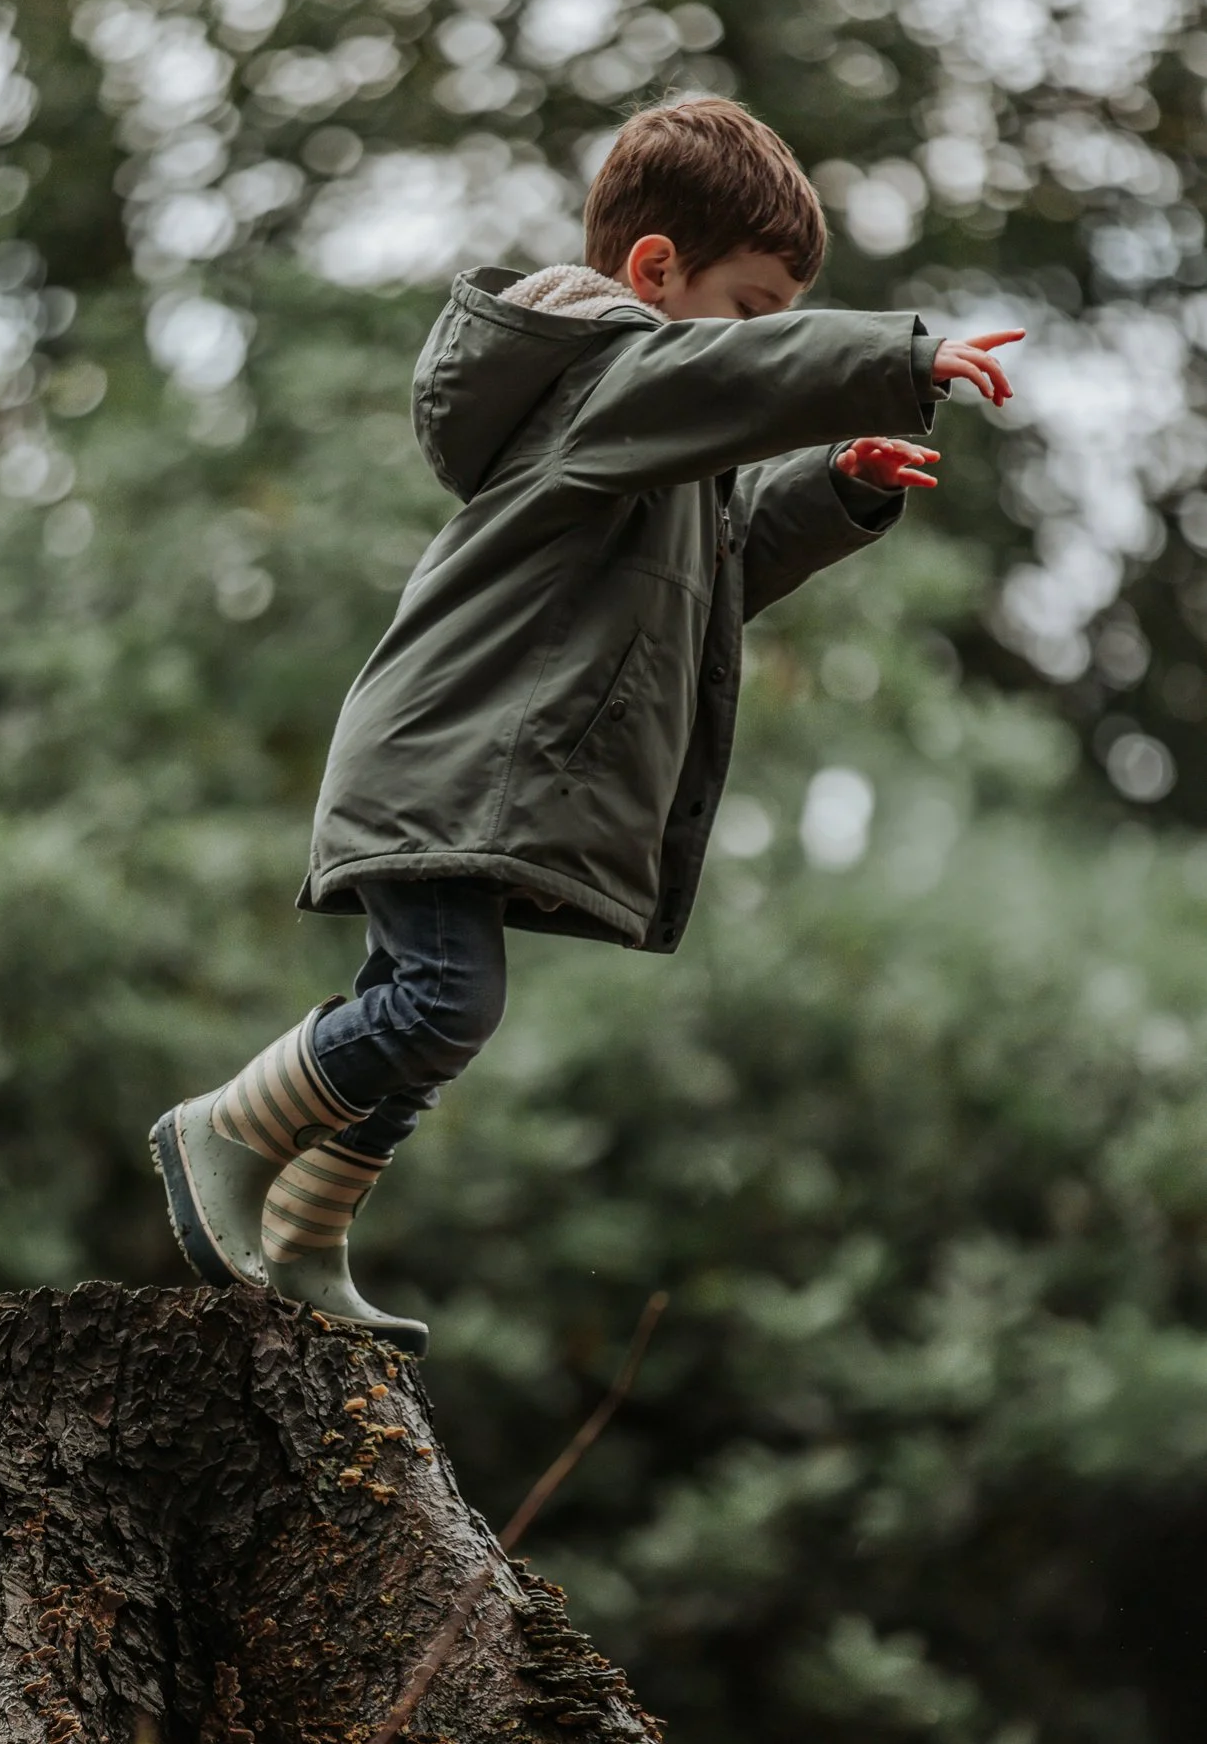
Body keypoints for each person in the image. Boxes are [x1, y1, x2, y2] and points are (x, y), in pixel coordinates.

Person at [150, 96, 1022, 1358]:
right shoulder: (599, 382)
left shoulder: (651, 447)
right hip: (444, 758)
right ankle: (224, 1131)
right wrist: (891, 360)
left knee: (433, 1013)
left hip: (480, 765)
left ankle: (299, 1235)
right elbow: (727, 377)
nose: (754, 341)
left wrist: (829, 489)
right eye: (747, 306)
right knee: (441, 1003)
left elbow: (708, 584)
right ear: (653, 272)